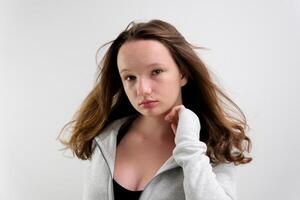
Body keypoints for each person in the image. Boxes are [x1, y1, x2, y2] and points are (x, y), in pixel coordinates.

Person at [58, 19, 252, 200]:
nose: (142, 89)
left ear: (182, 73)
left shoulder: (216, 143)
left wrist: (190, 148)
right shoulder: (104, 138)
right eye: (130, 77)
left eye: (156, 72)